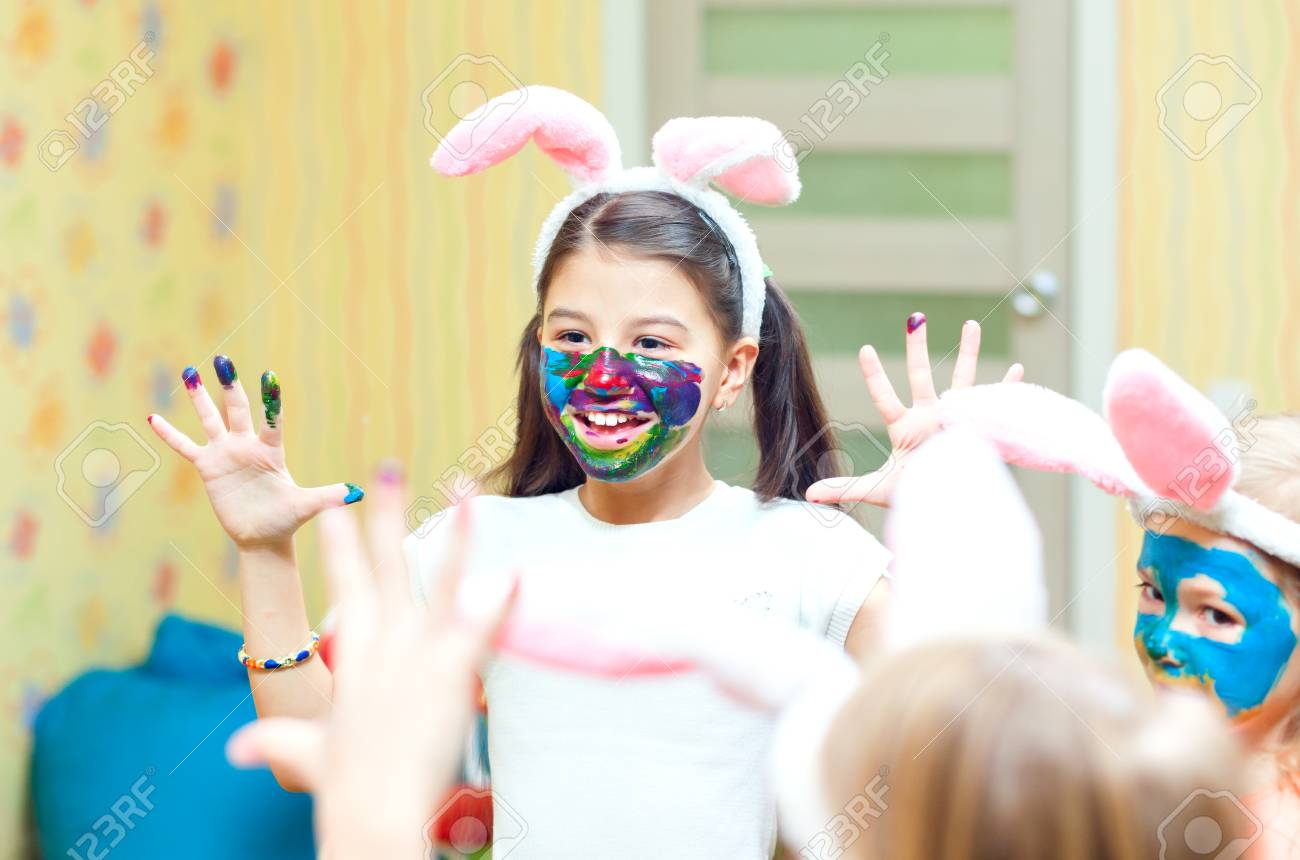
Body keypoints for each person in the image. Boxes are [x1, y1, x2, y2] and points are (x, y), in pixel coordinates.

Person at [147, 85, 1019, 858]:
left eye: (652, 343)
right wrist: (263, 552)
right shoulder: (478, 545)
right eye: (571, 337)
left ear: (734, 369)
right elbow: (323, 754)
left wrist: (948, 518)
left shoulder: (807, 551)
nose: (605, 374)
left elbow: (965, 750)